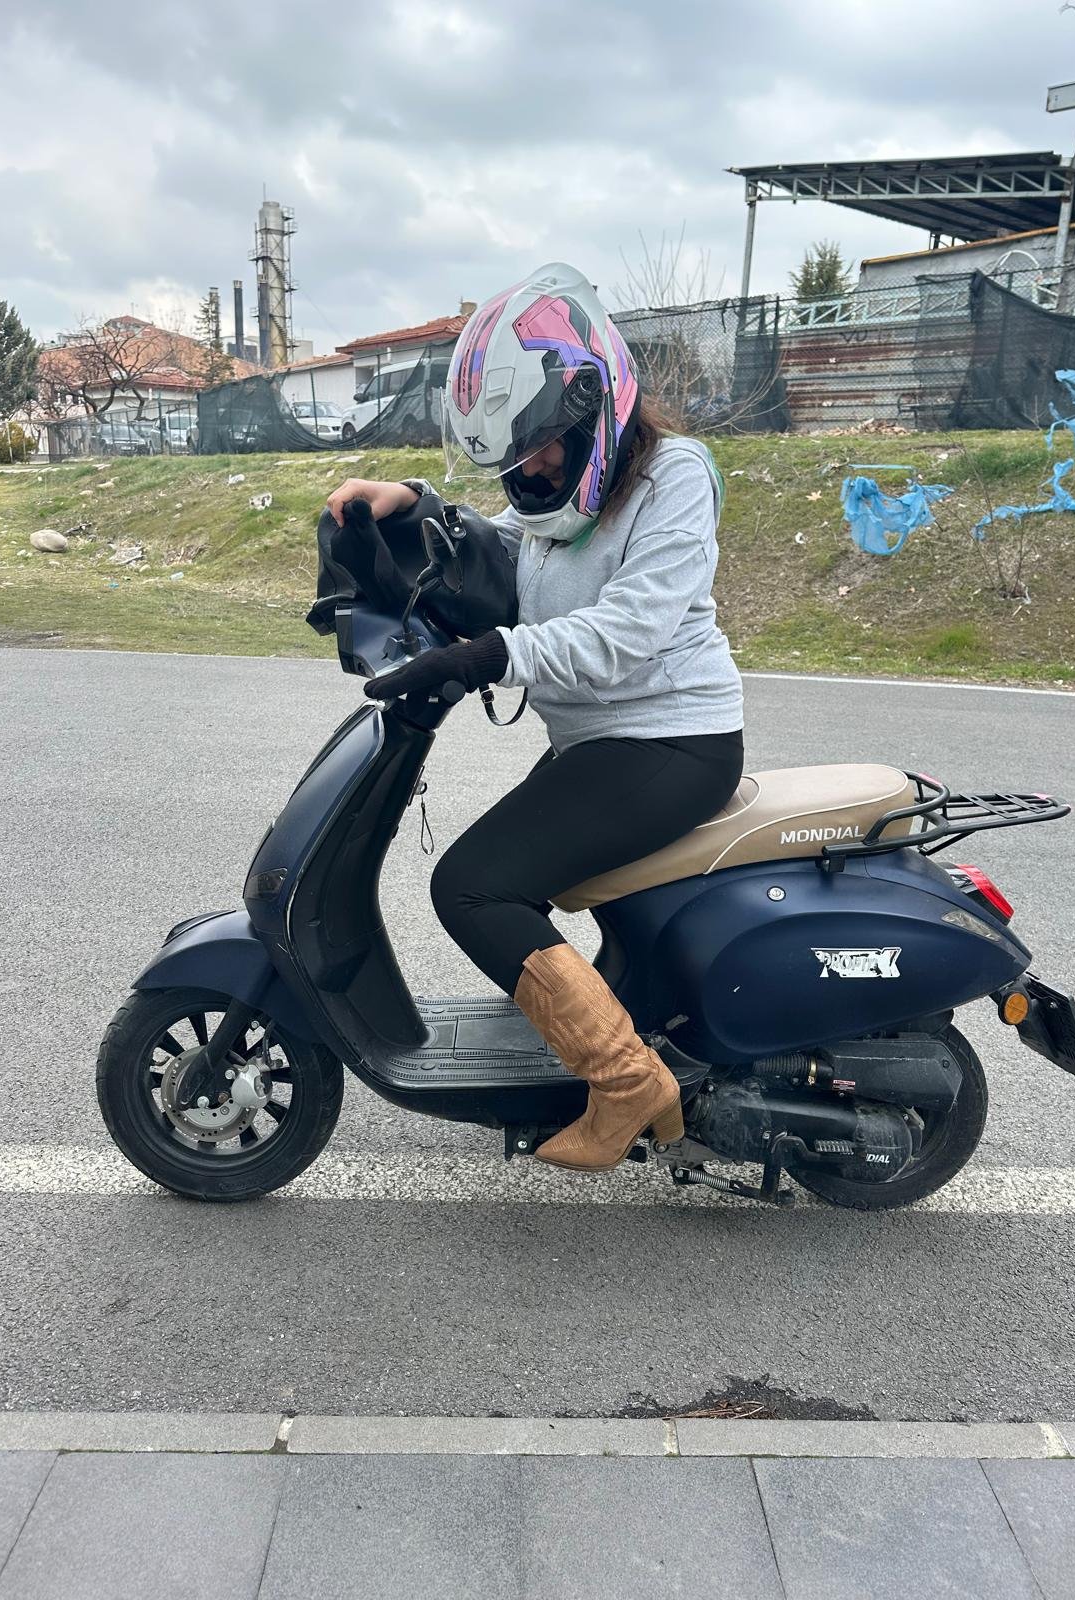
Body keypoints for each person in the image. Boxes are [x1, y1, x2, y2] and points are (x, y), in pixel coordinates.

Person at [325, 262, 744, 1173]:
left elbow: (628, 634)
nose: (532, 470)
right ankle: (614, 1040)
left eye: (540, 446)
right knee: (504, 876)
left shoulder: (673, 478)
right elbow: (505, 548)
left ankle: (626, 1081)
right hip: (602, 740)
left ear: (593, 402)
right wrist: (413, 505)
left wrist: (491, 654)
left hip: (673, 741)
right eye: (513, 460)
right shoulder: (561, 502)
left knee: (473, 888)